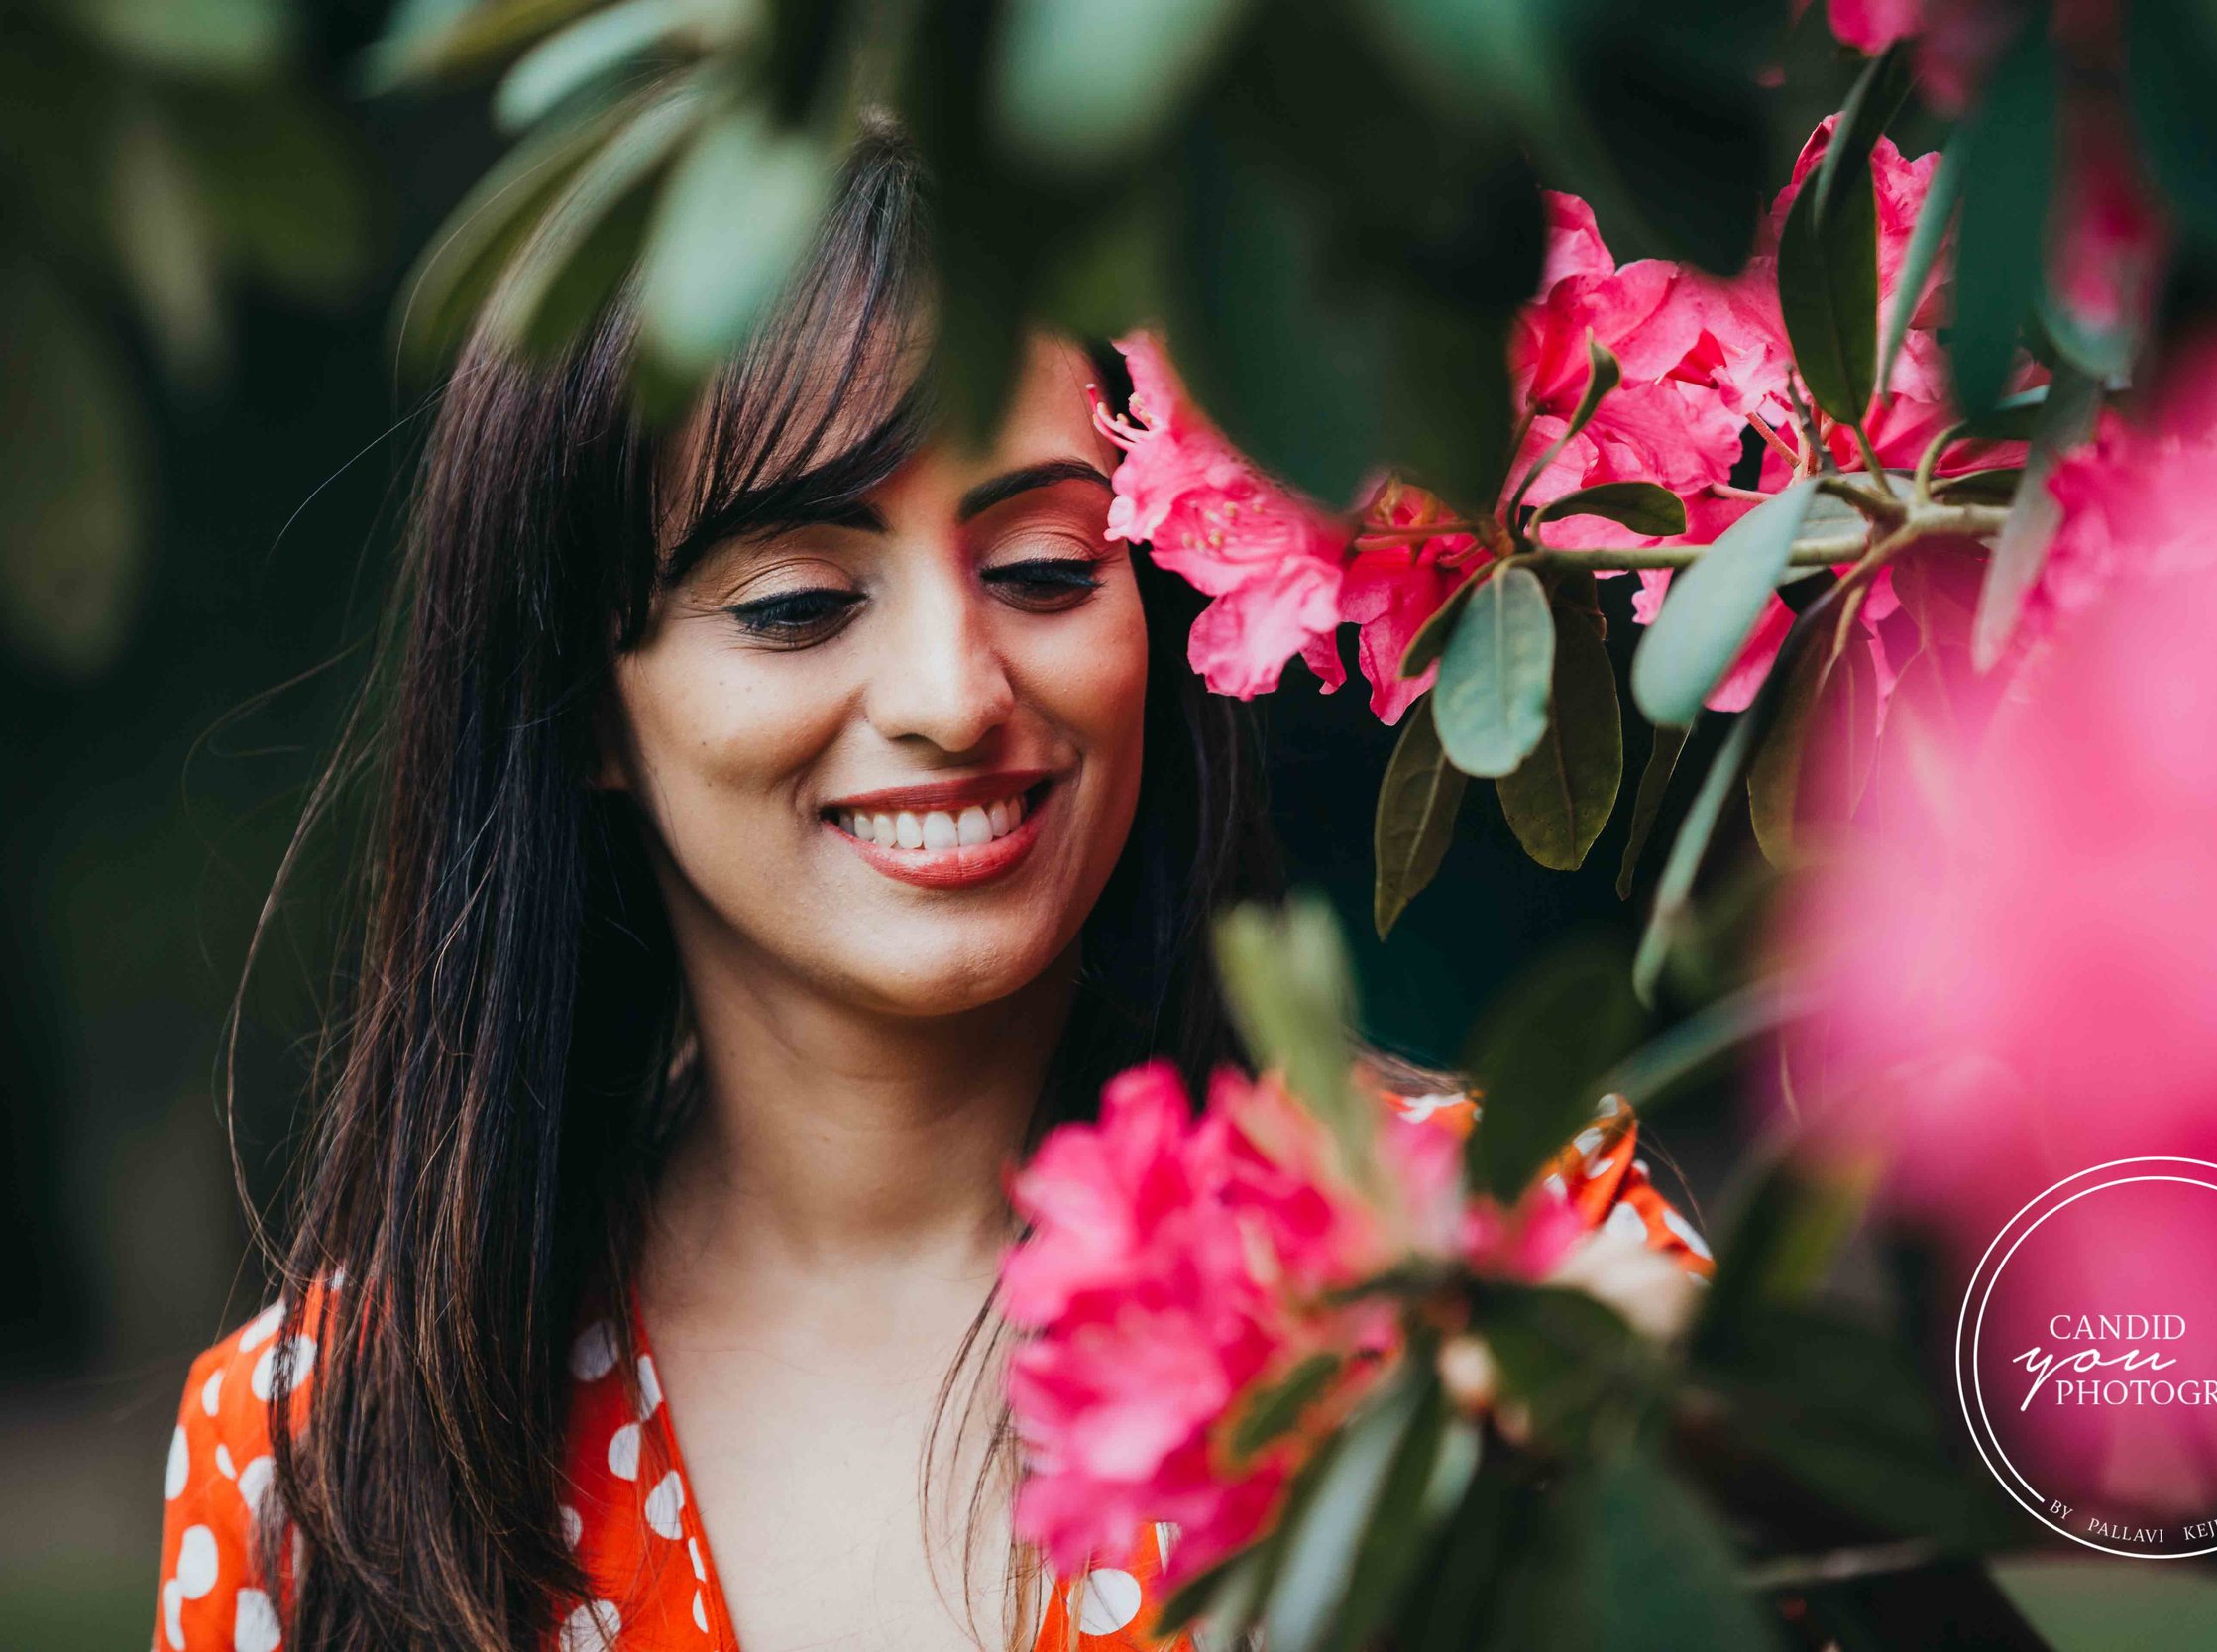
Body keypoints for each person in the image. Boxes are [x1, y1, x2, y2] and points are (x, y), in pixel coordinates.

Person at [152, 124, 1712, 1652]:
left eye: (1043, 569)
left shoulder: (1511, 1258)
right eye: (800, 603)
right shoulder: (315, 1463)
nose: (953, 695)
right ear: (582, 706)